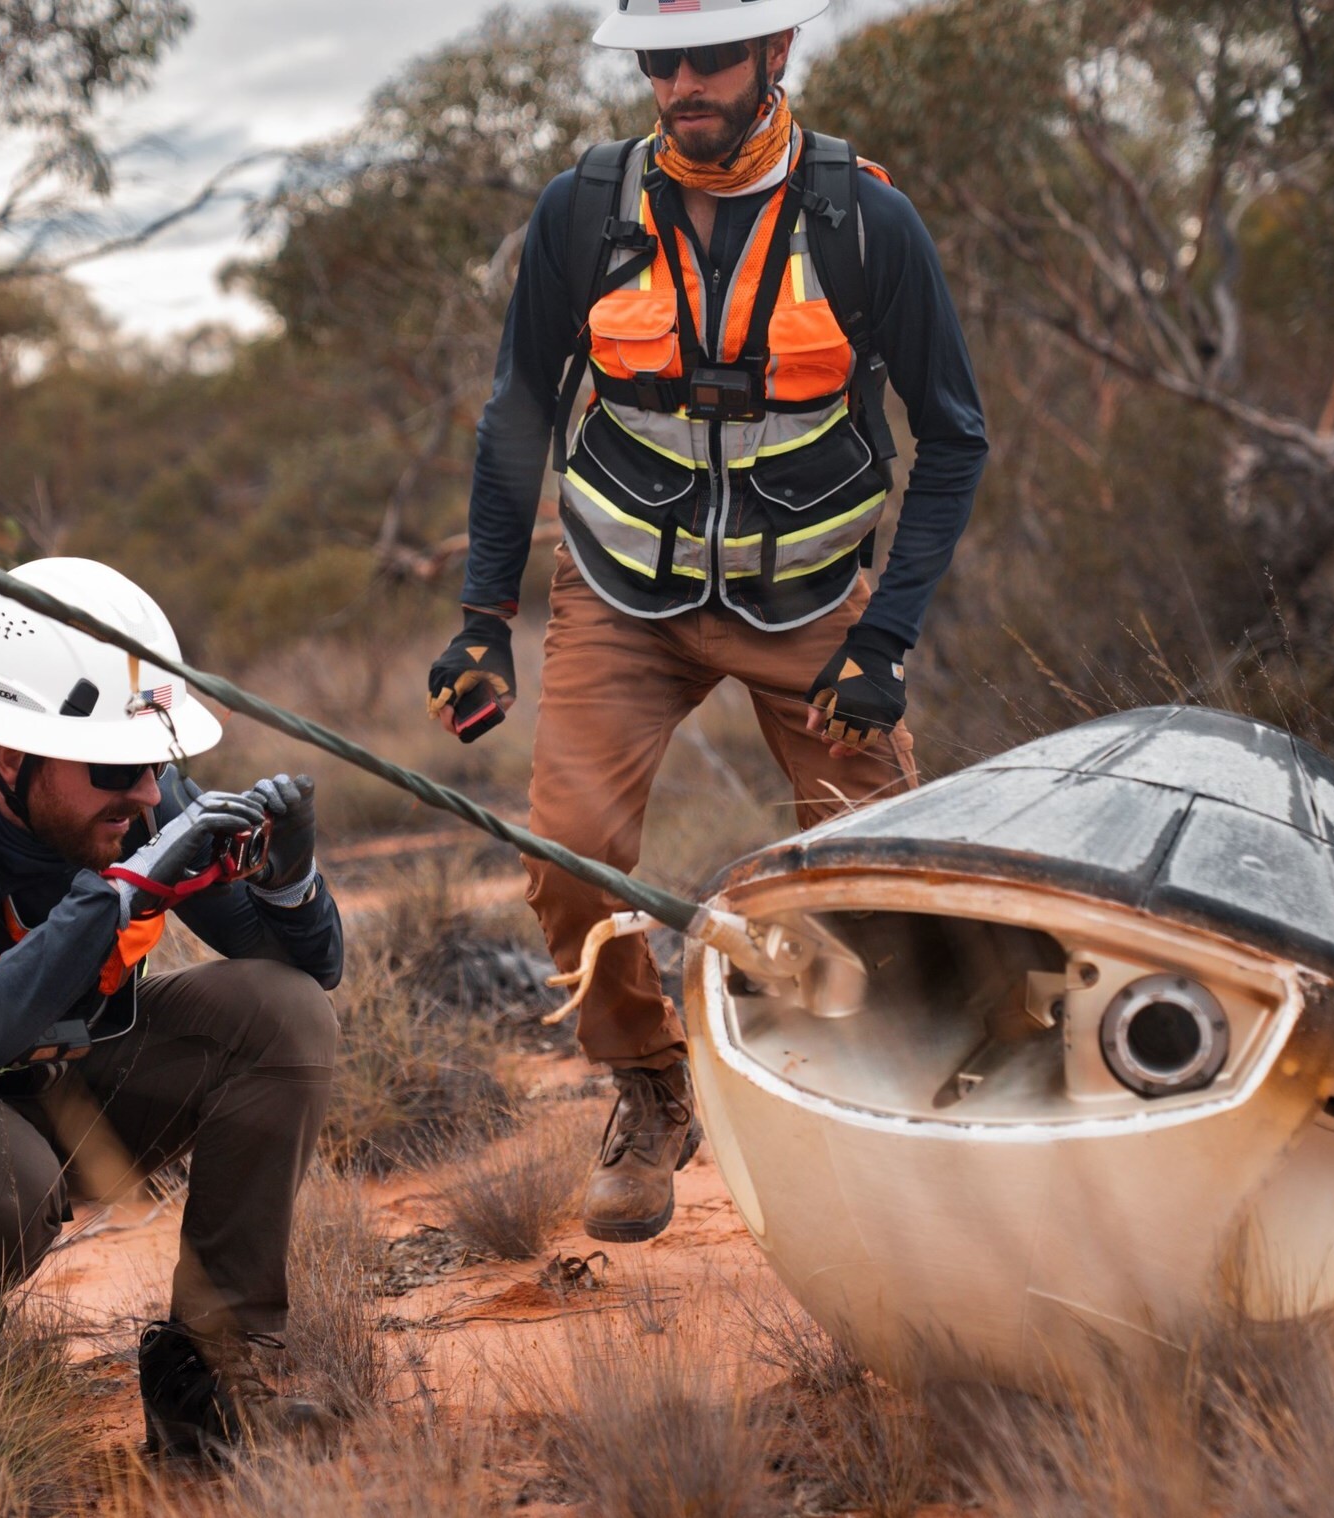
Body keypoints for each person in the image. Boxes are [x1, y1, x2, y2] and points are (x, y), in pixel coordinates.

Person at [428, 0, 988, 1245]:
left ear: (776, 53)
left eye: (711, 58)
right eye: (661, 60)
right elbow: (518, 409)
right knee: (568, 853)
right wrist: (483, 619)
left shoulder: (863, 221)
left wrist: (884, 638)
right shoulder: (583, 212)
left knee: (879, 876)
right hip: (621, 593)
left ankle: (875, 1116)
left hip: (810, 609)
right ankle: (648, 1087)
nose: (684, 83)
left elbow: (954, 438)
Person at [0, 558, 344, 1458]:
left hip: (50, 1074)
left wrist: (291, 884)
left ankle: (212, 1381)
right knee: (1, 1184)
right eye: (117, 768)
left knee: (282, 1016)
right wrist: (119, 896)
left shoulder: (136, 798)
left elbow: (308, 972)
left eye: (156, 764)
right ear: (10, 755)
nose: (151, 796)